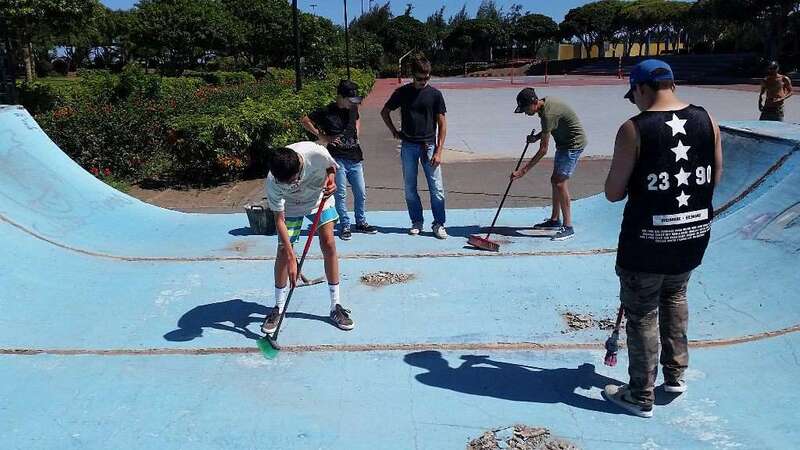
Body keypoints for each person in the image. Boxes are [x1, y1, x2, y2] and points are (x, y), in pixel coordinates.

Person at [603, 59, 723, 418]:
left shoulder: (634, 129)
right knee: (675, 297)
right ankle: (675, 375)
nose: (634, 102)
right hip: (692, 234)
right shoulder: (708, 119)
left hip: (646, 241)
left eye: (633, 95)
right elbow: (715, 177)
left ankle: (640, 394)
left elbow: (613, 192)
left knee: (641, 314)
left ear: (641, 88)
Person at [261, 143, 354, 335]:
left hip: (320, 199)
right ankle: (278, 307)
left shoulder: (315, 152)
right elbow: (279, 219)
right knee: (282, 251)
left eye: (293, 181)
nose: (291, 185)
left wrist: (331, 179)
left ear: (300, 167)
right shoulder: (273, 181)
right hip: (291, 208)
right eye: (285, 184)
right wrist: (291, 256)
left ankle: (335, 306)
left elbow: (331, 167)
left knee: (328, 243)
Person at [381, 55, 449, 239]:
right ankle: (417, 221)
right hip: (408, 146)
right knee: (410, 187)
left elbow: (442, 124)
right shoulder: (402, 92)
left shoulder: (435, 95)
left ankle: (439, 223)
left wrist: (439, 151)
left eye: (427, 77)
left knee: (437, 188)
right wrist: (394, 131)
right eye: (420, 78)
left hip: (428, 146)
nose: (423, 81)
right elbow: (385, 111)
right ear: (412, 76)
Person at [301, 79, 377, 241]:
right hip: (337, 159)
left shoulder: (352, 109)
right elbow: (305, 120)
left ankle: (361, 222)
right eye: (350, 100)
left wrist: (357, 132)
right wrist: (322, 136)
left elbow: (357, 118)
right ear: (341, 97)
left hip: (355, 156)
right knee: (341, 193)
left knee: (361, 192)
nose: (352, 103)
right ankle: (345, 224)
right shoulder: (327, 111)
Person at [511, 87, 587, 241]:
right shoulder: (544, 106)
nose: (525, 113)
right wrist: (536, 137)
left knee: (560, 183)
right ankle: (554, 220)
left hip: (573, 145)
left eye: (525, 109)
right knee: (555, 180)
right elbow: (550, 127)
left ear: (533, 103)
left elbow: (543, 150)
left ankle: (568, 226)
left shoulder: (547, 114)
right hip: (564, 144)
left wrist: (522, 171)